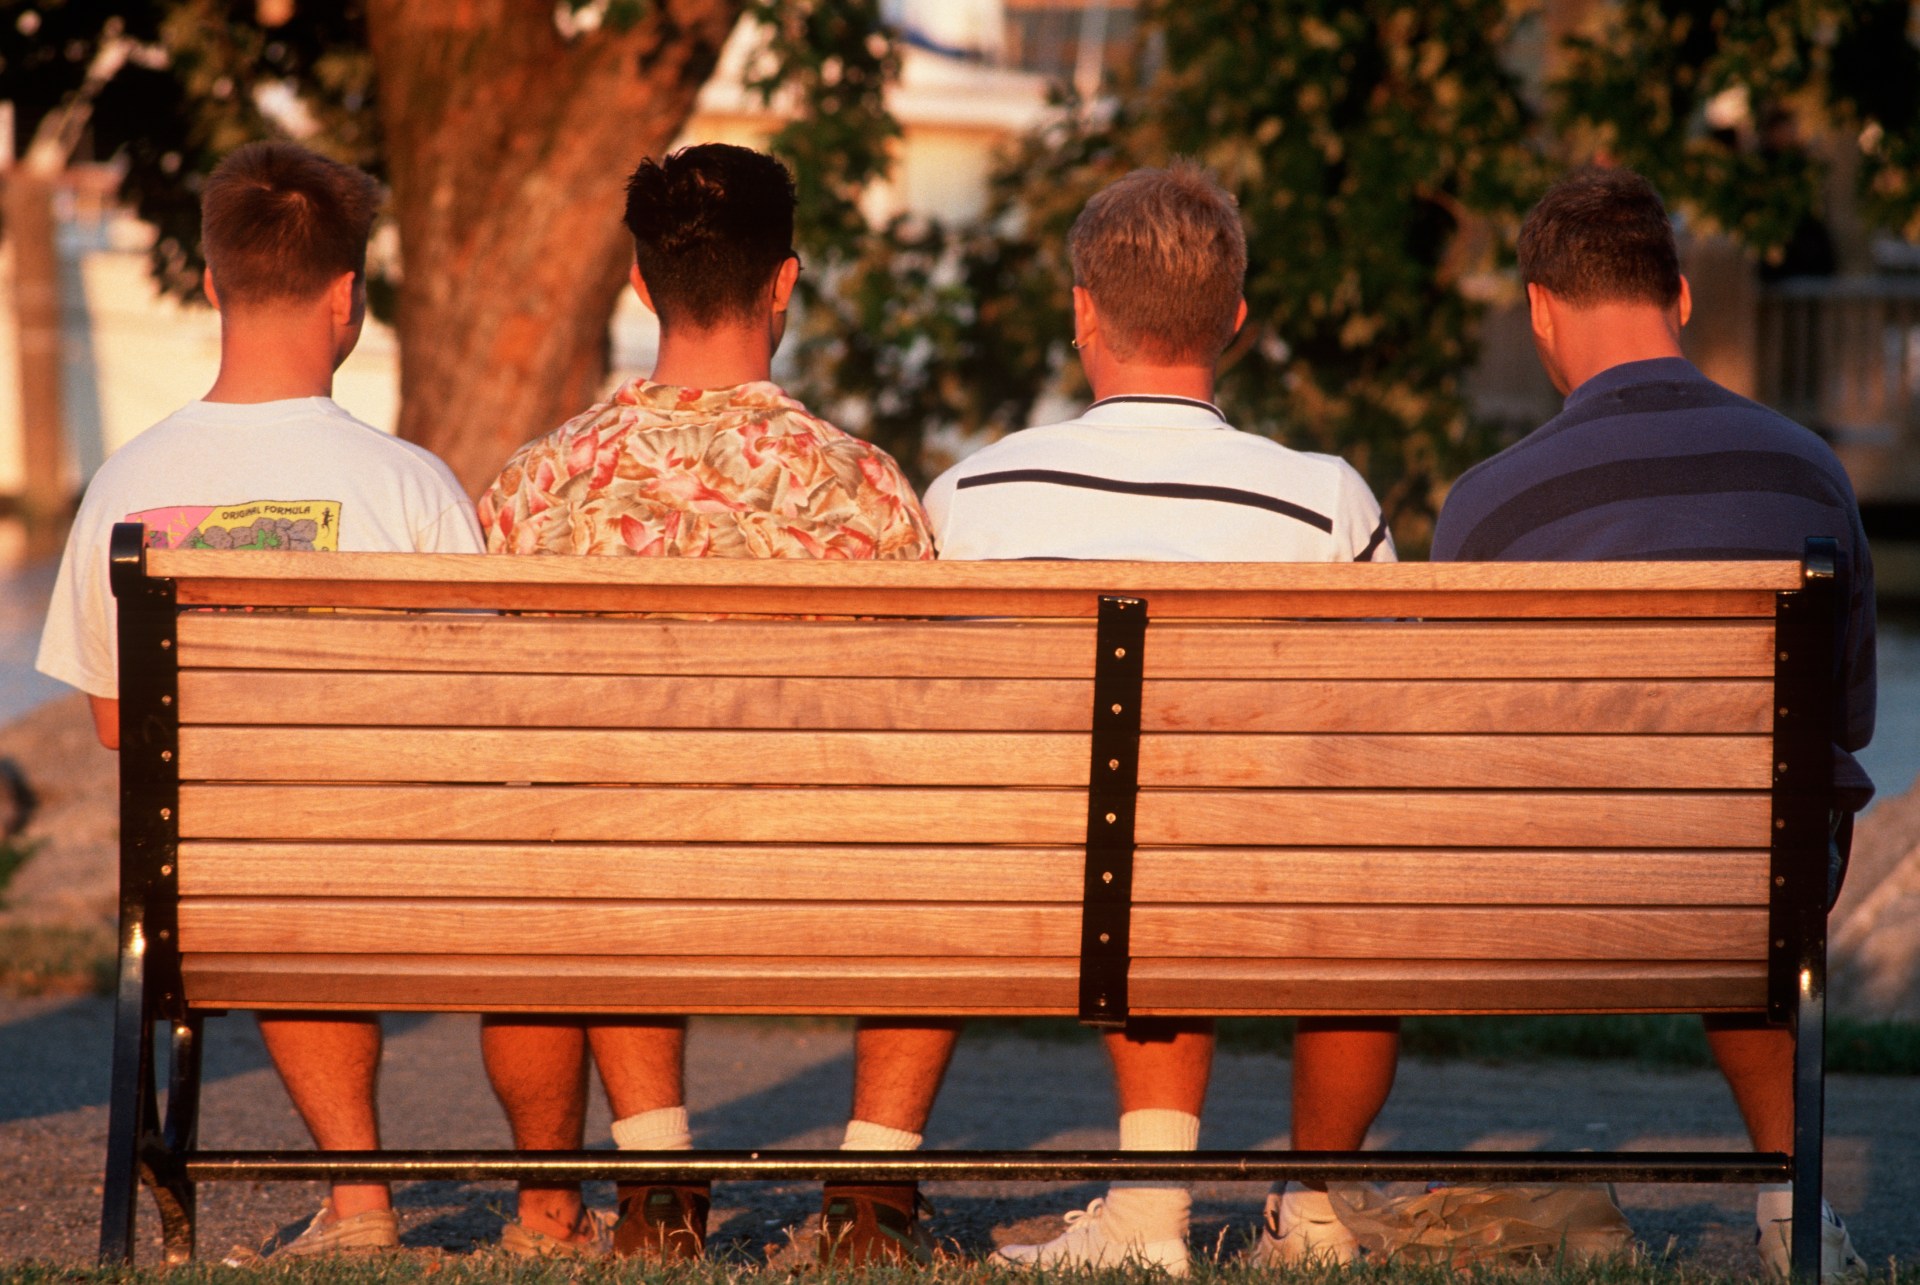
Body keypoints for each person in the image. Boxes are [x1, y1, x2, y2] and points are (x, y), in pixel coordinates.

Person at [918, 163, 1398, 1275]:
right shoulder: (1324, 496)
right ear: (1233, 318)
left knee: (1132, 837)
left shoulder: (976, 494)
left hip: (1024, 874)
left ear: (1083, 309)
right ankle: (1313, 1210)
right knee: (1354, 859)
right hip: (1256, 875)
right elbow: (1381, 732)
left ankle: (1143, 1214)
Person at [474, 143, 946, 1265]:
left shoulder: (537, 484)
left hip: (616, 878)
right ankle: (873, 1188)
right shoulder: (867, 486)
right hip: (829, 885)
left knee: (597, 807)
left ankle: (655, 1174)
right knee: (944, 831)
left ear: (639, 286)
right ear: (784, 283)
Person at [36, 141, 485, 1258]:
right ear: (348, 297)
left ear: (210, 284)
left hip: (215, 889)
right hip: (415, 876)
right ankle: (552, 1206)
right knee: (314, 842)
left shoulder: (126, 484)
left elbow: (109, 724)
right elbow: (477, 716)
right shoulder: (411, 484)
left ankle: (360, 1201)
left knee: (264, 847)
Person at [1431, 165, 1874, 1280]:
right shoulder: (1812, 475)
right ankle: (1791, 1213)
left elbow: (1448, 749)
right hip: (1752, 886)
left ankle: (1313, 1201)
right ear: (1679, 296)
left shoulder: (1489, 501)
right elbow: (1853, 716)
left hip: (1546, 902)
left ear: (1539, 306)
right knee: (1763, 824)